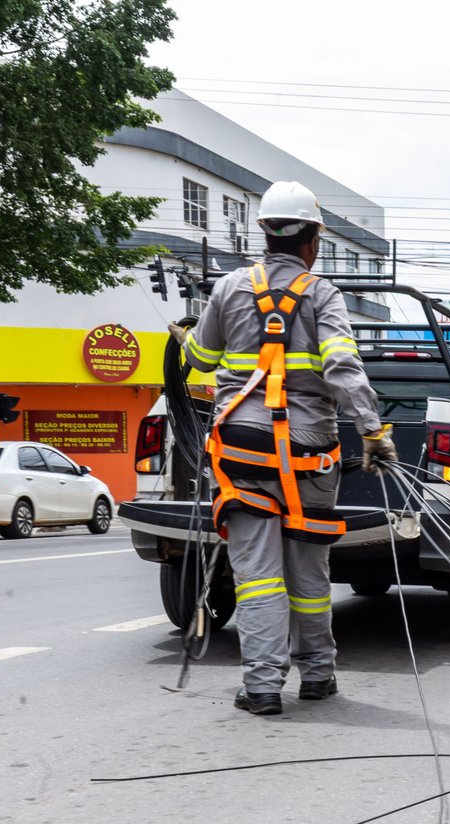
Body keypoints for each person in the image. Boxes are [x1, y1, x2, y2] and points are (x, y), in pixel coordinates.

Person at [173, 179, 393, 716]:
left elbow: (201, 359)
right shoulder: (323, 296)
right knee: (309, 574)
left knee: (257, 573)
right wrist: (372, 431)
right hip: (309, 452)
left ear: (265, 234)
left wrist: (185, 337)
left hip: (244, 451)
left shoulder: (229, 289)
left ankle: (264, 687)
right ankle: (318, 674)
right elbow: (343, 366)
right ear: (314, 238)